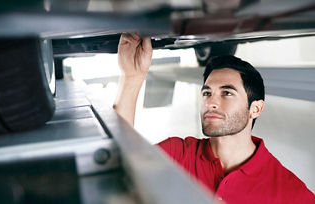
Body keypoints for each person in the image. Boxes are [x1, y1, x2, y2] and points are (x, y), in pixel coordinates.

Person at [113, 33, 315, 203]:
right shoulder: (177, 154)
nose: (211, 102)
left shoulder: (289, 192)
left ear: (256, 109)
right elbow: (117, 166)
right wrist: (132, 77)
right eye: (207, 93)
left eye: (227, 93)